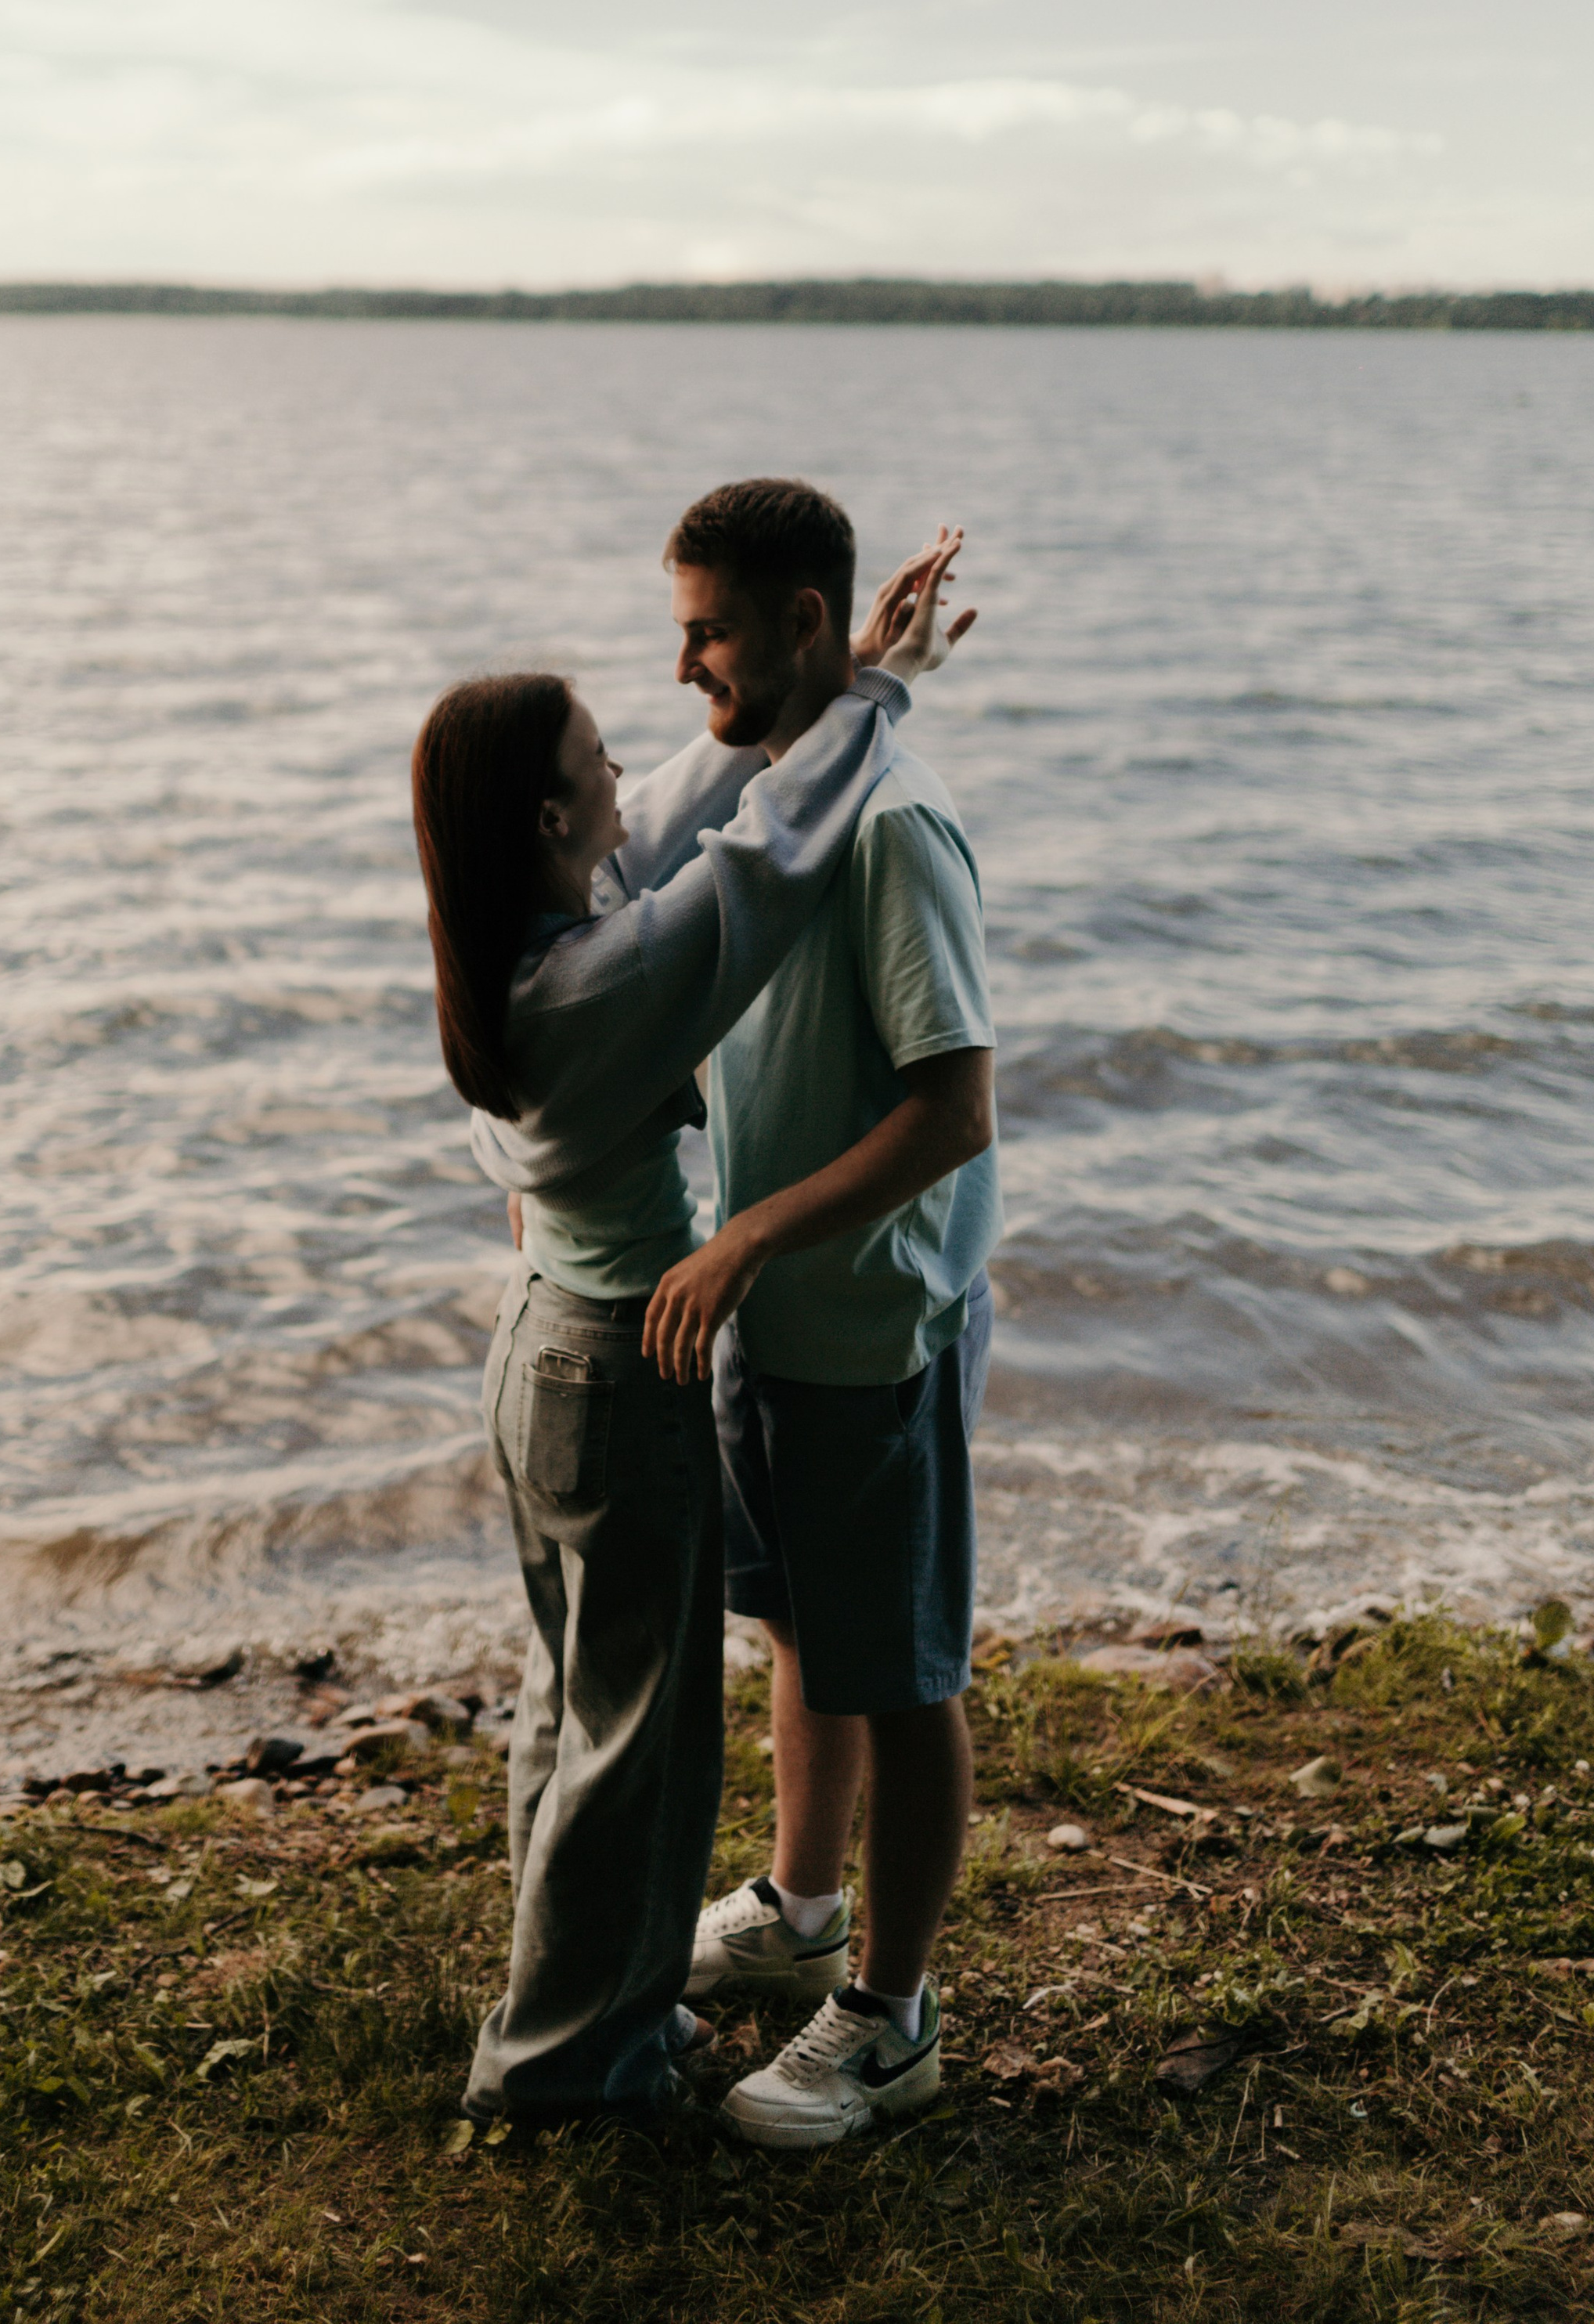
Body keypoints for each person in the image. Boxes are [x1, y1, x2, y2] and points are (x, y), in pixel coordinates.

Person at [409, 529, 971, 2127]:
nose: (629, 760)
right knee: (636, 1747)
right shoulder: (595, 981)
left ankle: (564, 2006)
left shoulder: (515, 928)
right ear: (546, 816)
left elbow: (692, 801)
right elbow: (759, 861)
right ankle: (576, 2063)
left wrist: (854, 674)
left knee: (571, 1711)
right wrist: (871, 696)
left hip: (539, 1346)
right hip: (610, 1366)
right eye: (593, 759)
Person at [641, 476, 1000, 2150]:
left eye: (707, 633)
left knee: (901, 1672)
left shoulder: (891, 826)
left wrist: (746, 1241)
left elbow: (952, 1110)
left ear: (799, 624)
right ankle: (800, 1911)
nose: (683, 667)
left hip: (868, 1324)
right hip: (772, 1314)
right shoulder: (779, 794)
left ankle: (890, 2021)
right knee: (802, 1624)